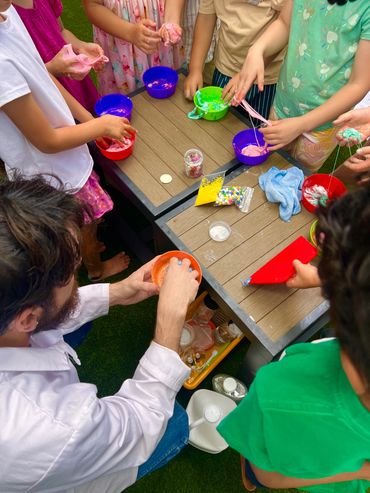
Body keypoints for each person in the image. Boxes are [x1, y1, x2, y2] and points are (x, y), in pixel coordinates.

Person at [0, 173, 199, 492]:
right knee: (172, 422)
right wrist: (169, 321)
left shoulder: (12, 315)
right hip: (71, 471)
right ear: (26, 319)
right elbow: (139, 423)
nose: (79, 272)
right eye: (70, 273)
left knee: (75, 318)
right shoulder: (46, 429)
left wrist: (118, 291)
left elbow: (45, 315)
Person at [217, 185, 370, 493]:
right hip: (339, 456)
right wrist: (328, 279)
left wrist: (364, 471)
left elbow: (270, 475)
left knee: (260, 461)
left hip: (300, 452)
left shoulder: (283, 396)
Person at [0, 2, 134, 280]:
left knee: (84, 223)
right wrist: (100, 126)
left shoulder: (8, 13)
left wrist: (88, 119)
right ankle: (94, 267)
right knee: (82, 224)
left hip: (64, 156)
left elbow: (43, 77)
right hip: (49, 171)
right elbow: (46, 141)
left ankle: (86, 248)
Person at [223, 0, 370, 171]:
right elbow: (284, 24)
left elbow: (358, 84)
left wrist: (302, 124)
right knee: (266, 168)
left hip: (322, 123)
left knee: (296, 175)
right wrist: (257, 49)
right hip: (283, 104)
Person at [183, 0, 286, 121]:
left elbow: (284, 27)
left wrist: (246, 74)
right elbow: (206, 17)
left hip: (265, 79)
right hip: (226, 71)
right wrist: (195, 69)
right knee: (218, 129)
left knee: (255, 132)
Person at [13, 0, 101, 112]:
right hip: (48, 92)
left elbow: (61, 31)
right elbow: (18, 76)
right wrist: (52, 69)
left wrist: (81, 46)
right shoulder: (6, 17)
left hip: (73, 80)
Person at [83, 0, 184, 95]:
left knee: (169, 97)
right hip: (119, 40)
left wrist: (171, 21)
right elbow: (92, 5)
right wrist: (130, 32)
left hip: (161, 37)